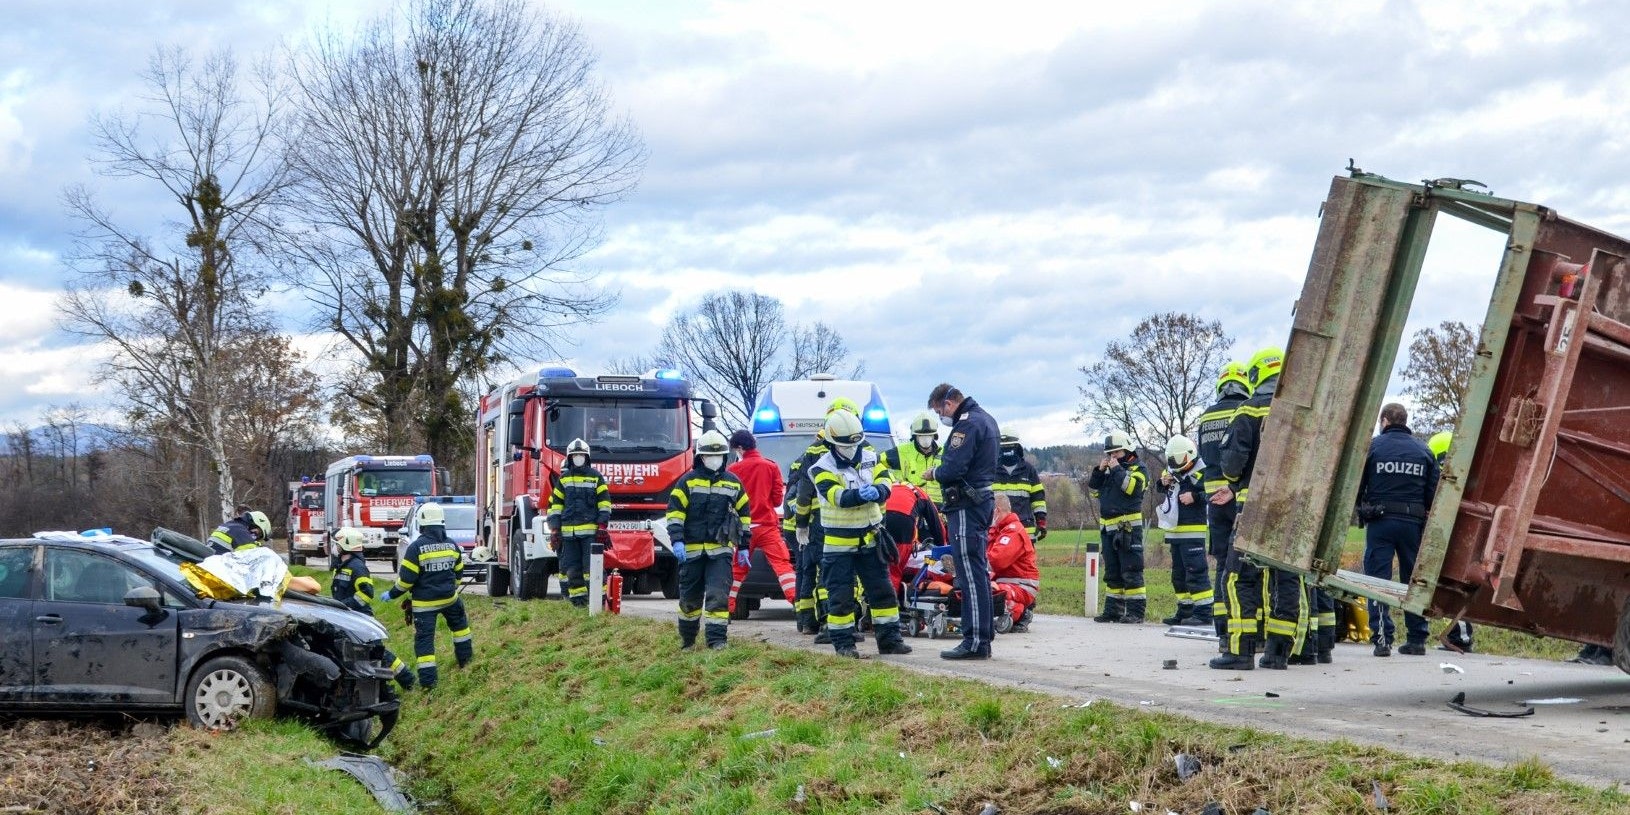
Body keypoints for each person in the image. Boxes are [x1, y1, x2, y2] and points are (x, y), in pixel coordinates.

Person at [1209, 346, 1303, 671]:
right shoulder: (1301, 413)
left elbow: (1232, 463)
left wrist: (1234, 482)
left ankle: (1240, 652)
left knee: (1238, 578)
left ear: (1255, 376)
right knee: (1287, 578)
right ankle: (1278, 654)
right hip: (1294, 510)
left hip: (1255, 510)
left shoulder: (1247, 411)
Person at [806, 408, 910, 658]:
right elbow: (836, 497)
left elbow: (886, 481)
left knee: (882, 590)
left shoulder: (871, 457)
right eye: (845, 445)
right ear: (833, 443)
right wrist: (860, 495)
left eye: (855, 443)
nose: (852, 449)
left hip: (871, 537)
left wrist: (880, 491)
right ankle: (844, 644)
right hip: (839, 542)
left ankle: (890, 640)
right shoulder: (821, 468)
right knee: (840, 596)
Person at [922, 382, 1000, 660]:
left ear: (948, 403)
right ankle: (981, 637)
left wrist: (935, 473)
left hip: (967, 505)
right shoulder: (986, 418)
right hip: (977, 502)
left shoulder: (967, 425)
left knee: (969, 573)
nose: (941, 418)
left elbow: (954, 467)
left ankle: (975, 640)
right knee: (976, 571)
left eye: (938, 411)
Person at [1357, 403, 1439, 657]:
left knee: (1377, 581)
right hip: (1412, 524)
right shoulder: (1423, 450)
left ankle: (1383, 639)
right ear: (1405, 421)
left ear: (1384, 421)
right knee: (1413, 581)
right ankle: (1416, 639)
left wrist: (1361, 507)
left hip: (1380, 522)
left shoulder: (1372, 447)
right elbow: (1434, 492)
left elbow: (1357, 483)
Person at [666, 430, 752, 650]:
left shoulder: (733, 483)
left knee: (718, 595)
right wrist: (677, 540)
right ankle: (687, 641)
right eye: (710, 456)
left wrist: (743, 546)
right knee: (689, 600)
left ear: (725, 457)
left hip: (720, 551)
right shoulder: (687, 482)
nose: (715, 460)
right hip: (691, 551)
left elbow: (744, 516)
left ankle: (717, 641)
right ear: (701, 457)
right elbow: (675, 513)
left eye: (720, 456)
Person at [789, 397, 863, 638]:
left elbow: (803, 493)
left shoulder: (813, 451)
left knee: (823, 573)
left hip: (822, 520)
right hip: (852, 521)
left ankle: (819, 623)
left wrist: (801, 524)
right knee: (843, 575)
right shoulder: (865, 448)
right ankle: (836, 624)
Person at [378, 501, 472, 689]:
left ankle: (429, 684)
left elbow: (406, 581)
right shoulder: (452, 545)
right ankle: (466, 664)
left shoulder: (415, 548)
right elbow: (459, 573)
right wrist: (450, 588)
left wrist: (391, 594)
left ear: (421, 523)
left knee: (425, 643)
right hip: (450, 599)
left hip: (424, 605)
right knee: (461, 631)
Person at [1198, 361, 1251, 643]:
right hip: (1238, 493)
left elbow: (1205, 456)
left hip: (1212, 499)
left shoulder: (1206, 416)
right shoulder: (1244, 411)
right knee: (1244, 562)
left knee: (1220, 561)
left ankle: (1221, 627)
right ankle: (1241, 625)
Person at [330, 527, 415, 690]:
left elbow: (366, 594)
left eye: (337, 544)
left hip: (360, 619)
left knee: (377, 652)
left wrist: (344, 605)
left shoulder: (357, 567)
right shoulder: (341, 566)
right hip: (347, 619)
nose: (335, 547)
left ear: (346, 545)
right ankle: (377, 688)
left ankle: (407, 680)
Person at [726, 429, 797, 611]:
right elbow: (777, 500)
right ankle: (799, 604)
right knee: (782, 565)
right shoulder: (771, 466)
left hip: (742, 528)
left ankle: (726, 608)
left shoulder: (732, 470)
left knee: (736, 570)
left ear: (740, 448)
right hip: (767, 526)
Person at [1088, 431, 1149, 624]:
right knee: (1112, 571)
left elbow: (1131, 489)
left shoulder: (1139, 469)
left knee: (1131, 570)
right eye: (1110, 454)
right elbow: (1095, 490)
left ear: (1128, 449)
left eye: (1117, 452)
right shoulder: (1110, 470)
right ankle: (1113, 611)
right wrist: (1099, 471)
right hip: (1108, 529)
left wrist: (1115, 470)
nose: (1113, 457)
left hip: (1128, 528)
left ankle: (1135, 612)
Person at [547, 438, 612, 609]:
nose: (578, 458)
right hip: (568, 536)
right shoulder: (564, 479)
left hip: (590, 535)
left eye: (581, 455)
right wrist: (555, 529)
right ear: (569, 458)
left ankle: (598, 604)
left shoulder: (596, 477)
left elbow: (604, 504)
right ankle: (578, 605)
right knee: (572, 571)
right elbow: (556, 506)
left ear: (587, 457)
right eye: (575, 455)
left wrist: (602, 527)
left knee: (593, 570)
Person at [1157, 435, 1211, 627]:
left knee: (1196, 572)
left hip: (1193, 531)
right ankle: (1185, 610)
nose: (1177, 465)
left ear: (1190, 455)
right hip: (1174, 532)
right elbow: (1161, 489)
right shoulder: (1172, 468)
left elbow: (1211, 494)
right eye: (1173, 461)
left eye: (1180, 460)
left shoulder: (1203, 470)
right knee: (1178, 576)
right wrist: (1162, 482)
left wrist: (1195, 497)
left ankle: (1204, 612)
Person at [987, 493, 1040, 632]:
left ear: (997, 510)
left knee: (992, 593)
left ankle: (1021, 613)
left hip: (1022, 585)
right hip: (1005, 580)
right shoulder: (997, 530)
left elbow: (997, 560)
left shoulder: (1013, 532)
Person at [994, 435, 1048, 540]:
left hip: (1024, 531)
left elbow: (1038, 500)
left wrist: (1041, 522)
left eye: (1010, 446)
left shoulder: (1028, 470)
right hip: (998, 531)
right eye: (1005, 446)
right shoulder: (991, 470)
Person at [885, 412, 944, 506]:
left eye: (929, 435)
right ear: (915, 436)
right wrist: (889, 482)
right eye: (921, 435)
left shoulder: (944, 453)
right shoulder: (901, 452)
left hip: (939, 511)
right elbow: (877, 462)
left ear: (934, 436)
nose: (925, 439)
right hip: (911, 508)